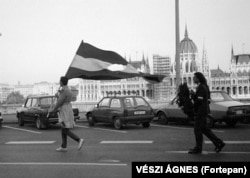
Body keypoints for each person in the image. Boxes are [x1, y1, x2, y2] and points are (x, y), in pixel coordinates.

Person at [188, 72, 225, 154]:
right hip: (204, 111)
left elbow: (199, 100)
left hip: (201, 112)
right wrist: (195, 96)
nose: (193, 79)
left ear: (198, 78)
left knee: (197, 130)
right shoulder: (205, 86)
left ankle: (198, 148)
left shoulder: (201, 87)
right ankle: (219, 143)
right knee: (204, 129)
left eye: (194, 77)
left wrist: (193, 98)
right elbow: (207, 100)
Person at [49, 76, 84, 152]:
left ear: (61, 82)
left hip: (64, 110)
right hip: (67, 109)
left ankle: (78, 140)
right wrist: (58, 96)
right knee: (63, 128)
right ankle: (64, 146)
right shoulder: (66, 90)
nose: (59, 82)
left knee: (65, 129)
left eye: (60, 81)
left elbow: (60, 102)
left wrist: (54, 109)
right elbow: (62, 99)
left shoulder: (65, 90)